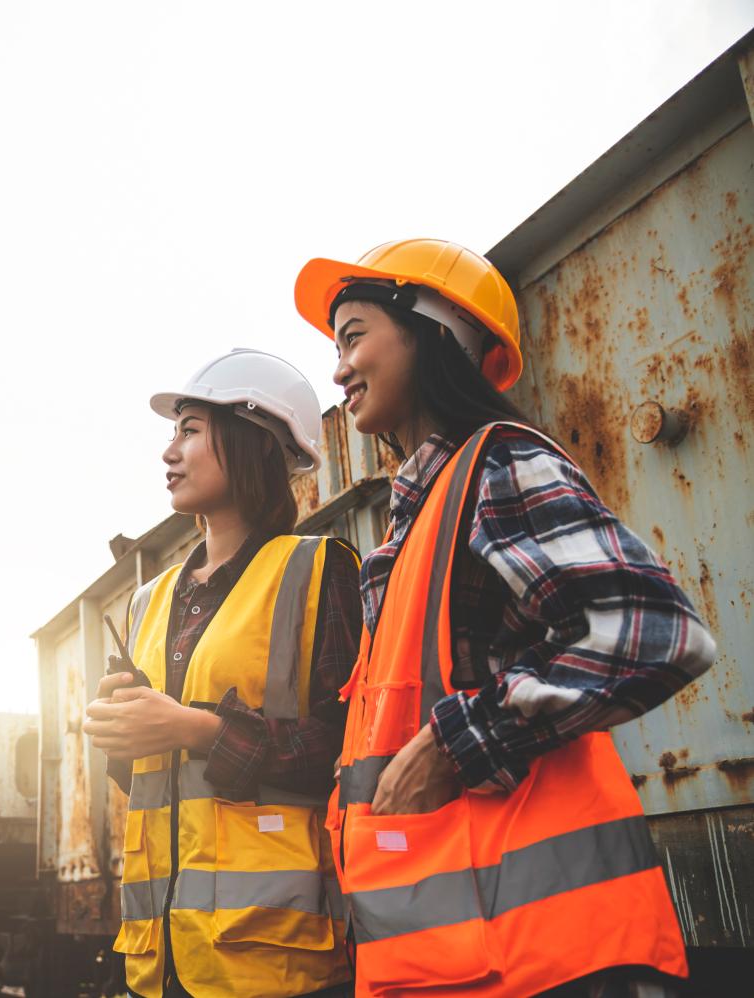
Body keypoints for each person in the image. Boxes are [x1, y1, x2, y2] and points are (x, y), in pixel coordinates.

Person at [294, 239, 716, 997]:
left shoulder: (499, 464)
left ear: (433, 330)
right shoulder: (413, 521)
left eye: (354, 336)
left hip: (551, 957)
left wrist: (456, 746)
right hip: (456, 953)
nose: (338, 368)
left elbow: (656, 632)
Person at [85, 349, 360, 998]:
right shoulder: (148, 601)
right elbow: (152, 784)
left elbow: (349, 748)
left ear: (252, 439)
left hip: (275, 955)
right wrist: (121, 732)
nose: (168, 453)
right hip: (162, 957)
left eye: (189, 430)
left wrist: (200, 730)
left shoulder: (319, 571)